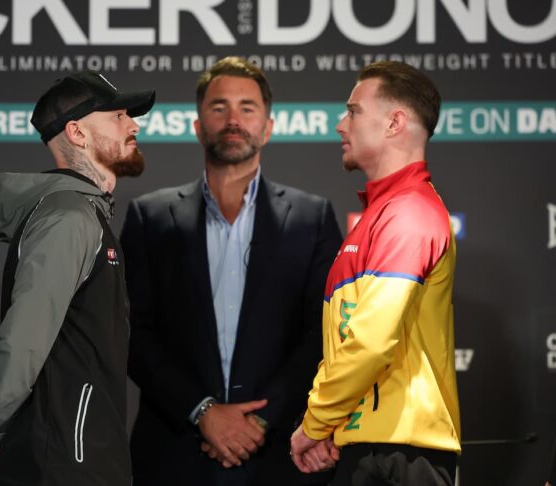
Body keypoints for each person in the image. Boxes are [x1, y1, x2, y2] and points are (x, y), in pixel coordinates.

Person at [120, 56, 342, 486]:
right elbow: (132, 334)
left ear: (269, 126)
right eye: (219, 107)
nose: (233, 119)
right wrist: (203, 411)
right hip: (173, 452)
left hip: (280, 454)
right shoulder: (150, 217)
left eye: (247, 107)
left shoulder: (312, 218)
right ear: (198, 125)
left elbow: (323, 332)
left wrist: (261, 422)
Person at [0, 71, 155, 486]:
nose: (133, 124)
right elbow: (24, 336)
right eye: (117, 116)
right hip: (67, 458)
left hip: (78, 449)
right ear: (77, 133)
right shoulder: (68, 217)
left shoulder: (85, 212)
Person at [290, 60, 461, 485]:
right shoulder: (381, 214)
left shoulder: (409, 211)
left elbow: (370, 341)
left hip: (402, 456)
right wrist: (338, 426)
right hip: (376, 447)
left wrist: (315, 424)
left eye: (353, 111)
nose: (339, 124)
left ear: (394, 123)